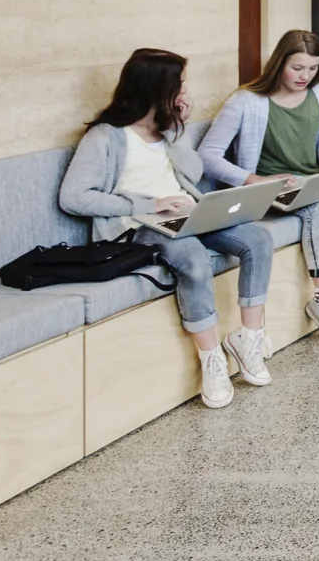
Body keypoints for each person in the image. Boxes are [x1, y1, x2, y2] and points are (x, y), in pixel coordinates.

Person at [58, 48, 276, 409]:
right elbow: (74, 197)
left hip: (188, 214)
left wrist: (176, 132)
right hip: (139, 225)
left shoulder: (167, 130)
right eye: (180, 84)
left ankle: (248, 338)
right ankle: (211, 359)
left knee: (257, 238)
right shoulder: (106, 136)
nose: (184, 92)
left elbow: (194, 174)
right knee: (191, 255)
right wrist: (150, 205)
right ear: (155, 87)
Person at [200, 30, 319, 341]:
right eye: (297, 68)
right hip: (274, 186)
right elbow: (208, 155)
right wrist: (256, 180)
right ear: (279, 63)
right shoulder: (245, 102)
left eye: (313, 68)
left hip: (318, 176)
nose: (305, 76)